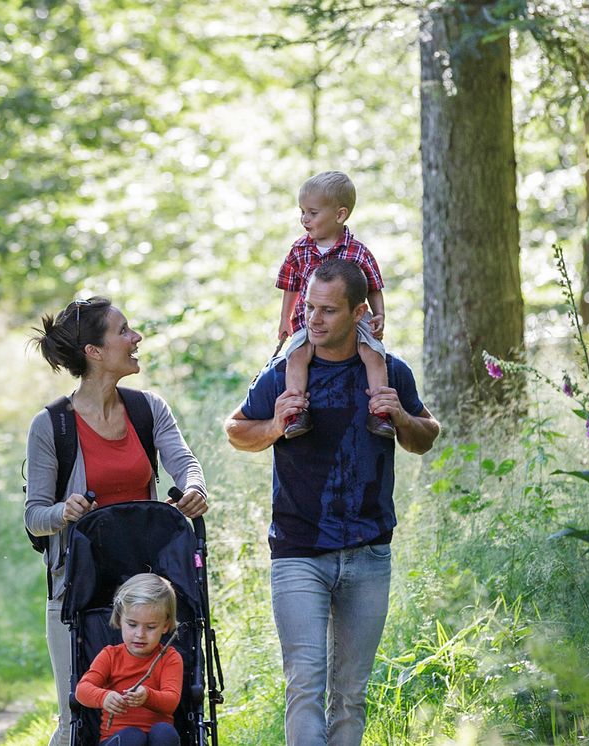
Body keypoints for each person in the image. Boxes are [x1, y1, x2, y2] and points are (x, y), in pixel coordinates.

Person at [225, 258, 442, 745]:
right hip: (298, 551)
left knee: (350, 694)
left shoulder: (390, 371)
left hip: (369, 552)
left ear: (359, 312)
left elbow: (426, 435)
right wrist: (275, 425)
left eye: (328, 310)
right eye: (308, 308)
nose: (314, 320)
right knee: (305, 686)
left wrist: (399, 416)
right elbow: (236, 430)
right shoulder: (283, 372)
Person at [26, 297, 209, 746]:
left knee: (163, 715)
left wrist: (194, 488)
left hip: (147, 588)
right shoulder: (52, 426)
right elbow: (34, 517)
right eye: (124, 331)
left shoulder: (148, 409)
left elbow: (185, 463)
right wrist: (63, 511)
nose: (136, 337)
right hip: (79, 589)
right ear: (94, 351)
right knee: (75, 720)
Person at [274, 170, 394, 440]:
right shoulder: (299, 250)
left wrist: (380, 314)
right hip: (310, 320)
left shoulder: (357, 251)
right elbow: (290, 285)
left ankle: (380, 411)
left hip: (352, 320)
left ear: (340, 215)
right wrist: (285, 319)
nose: (304, 219)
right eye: (302, 212)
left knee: (373, 353)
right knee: (296, 356)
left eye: (313, 213)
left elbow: (373, 286)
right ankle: (296, 411)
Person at [74, 573, 184, 745]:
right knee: (133, 737)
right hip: (119, 739)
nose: (140, 634)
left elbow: (171, 701)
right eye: (132, 625)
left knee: (164, 732)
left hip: (157, 738)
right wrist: (104, 697)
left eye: (151, 627)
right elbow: (82, 690)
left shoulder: (170, 658)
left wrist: (147, 696)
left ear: (165, 625)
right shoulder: (110, 655)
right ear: (120, 619)